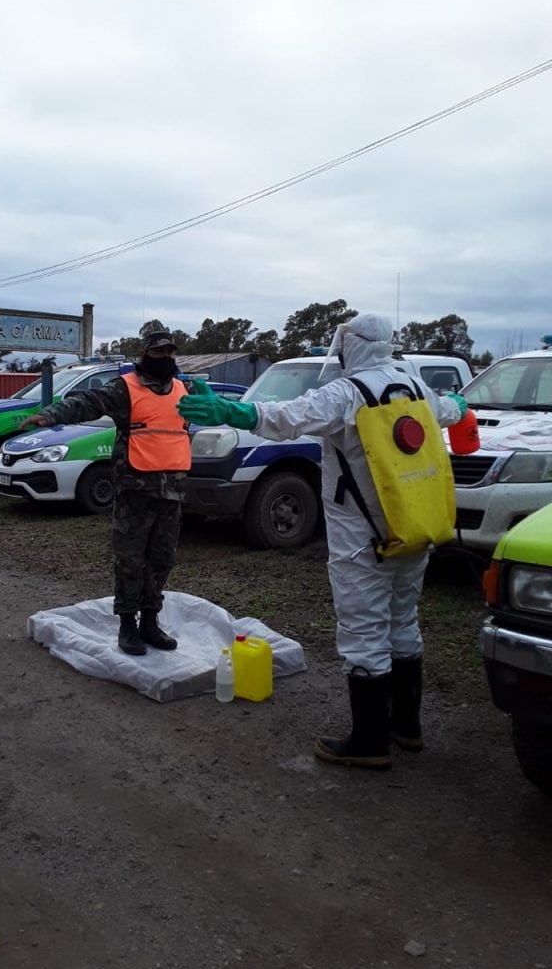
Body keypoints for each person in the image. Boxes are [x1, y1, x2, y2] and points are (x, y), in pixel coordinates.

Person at [178, 314, 468, 770]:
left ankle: (370, 741)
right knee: (403, 621)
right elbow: (450, 410)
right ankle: (406, 726)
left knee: (364, 632)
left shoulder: (349, 393)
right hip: (415, 526)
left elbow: (288, 416)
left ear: (351, 345)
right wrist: (457, 401)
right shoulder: (413, 387)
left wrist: (234, 413)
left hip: (362, 537)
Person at [20, 331, 191, 656]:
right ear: (145, 354)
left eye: (169, 351)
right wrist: (50, 415)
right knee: (130, 560)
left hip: (172, 492)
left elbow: (212, 410)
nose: (165, 357)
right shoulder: (126, 388)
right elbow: (87, 402)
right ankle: (128, 626)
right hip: (134, 491)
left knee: (161, 559)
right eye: (158, 352)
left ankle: (150, 623)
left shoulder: (183, 390)